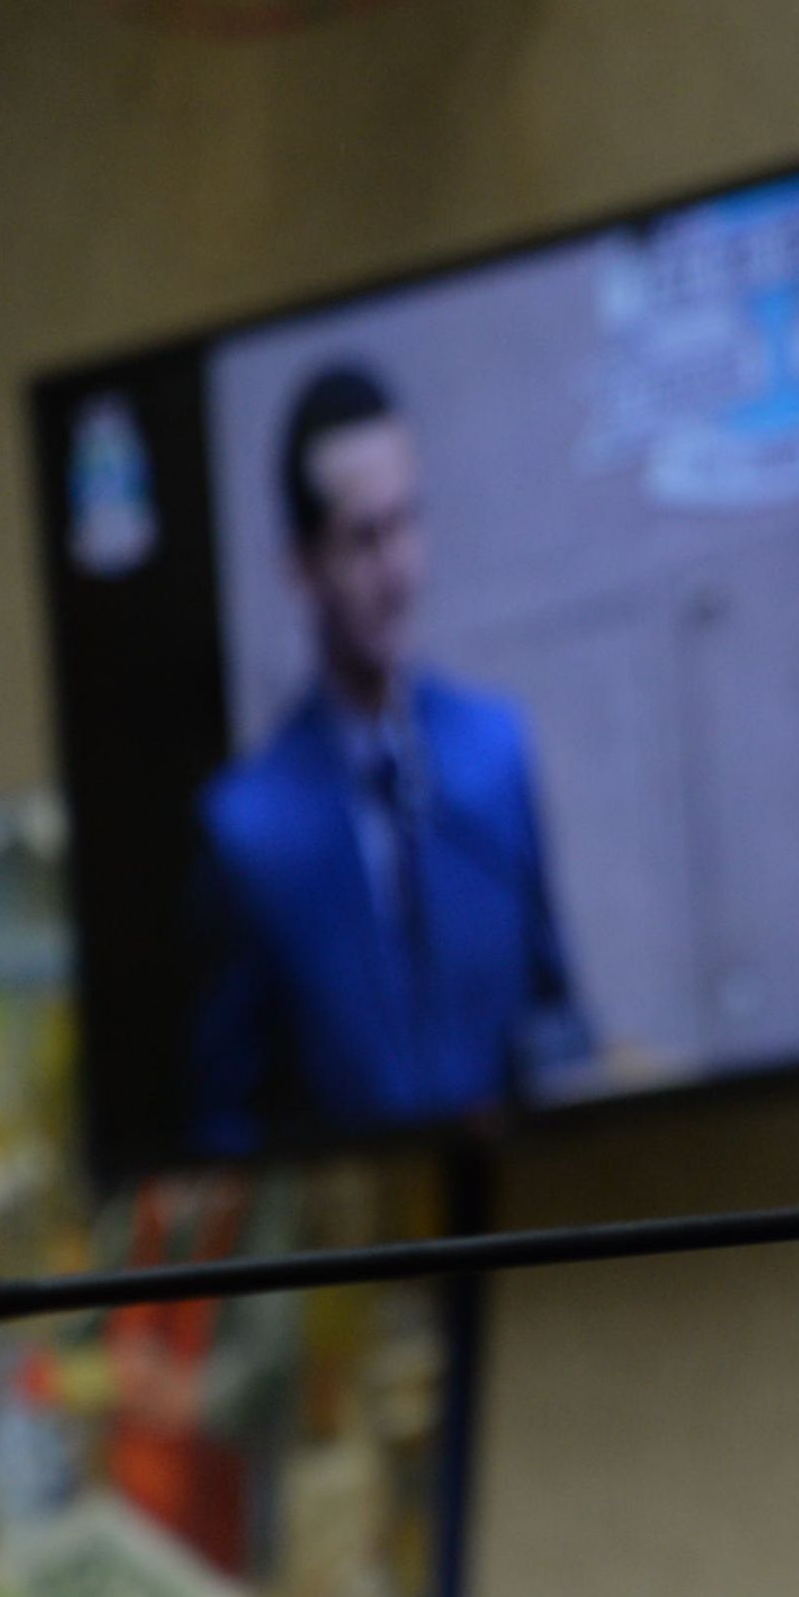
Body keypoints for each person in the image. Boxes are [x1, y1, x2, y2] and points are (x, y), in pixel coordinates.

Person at [186, 362, 587, 1156]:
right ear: (303, 564)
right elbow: (221, 1125)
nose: (397, 569)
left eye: (406, 523)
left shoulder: (495, 754)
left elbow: (556, 1013)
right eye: (363, 538)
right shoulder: (247, 833)